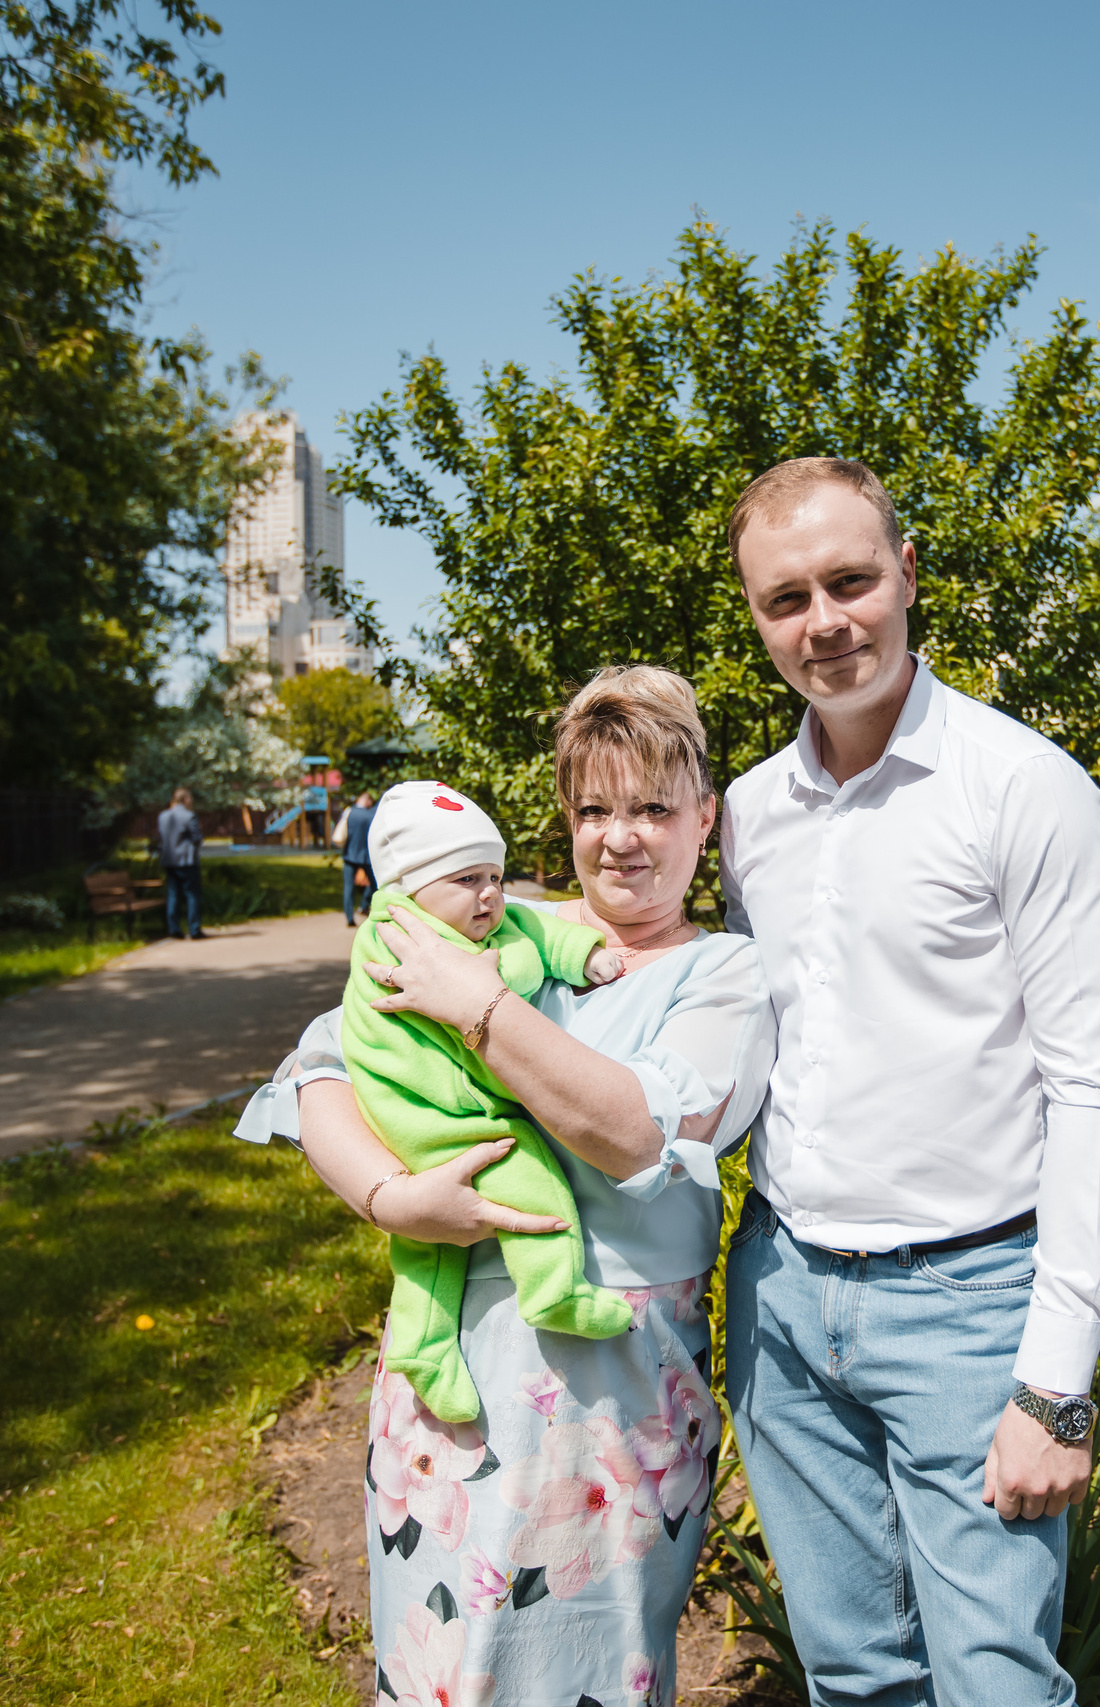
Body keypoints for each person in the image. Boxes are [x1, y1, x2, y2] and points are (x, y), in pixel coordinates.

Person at [235, 666, 771, 1706]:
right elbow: (318, 1067)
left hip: (614, 1380)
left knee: (597, 1669)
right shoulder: (491, 926)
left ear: (705, 818)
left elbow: (631, 1132)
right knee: (443, 1664)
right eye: (594, 809)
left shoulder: (720, 975)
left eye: (654, 809)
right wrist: (394, 1200)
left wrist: (476, 1009)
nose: (622, 838)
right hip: (455, 1376)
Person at [718, 457, 1100, 1705]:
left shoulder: (1024, 790)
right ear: (757, 618)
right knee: (851, 1675)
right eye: (785, 598)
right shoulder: (747, 813)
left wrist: (1055, 1387)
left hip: (968, 1302)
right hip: (784, 1296)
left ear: (907, 576)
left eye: (849, 581)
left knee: (997, 1683)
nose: (823, 621)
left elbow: (1094, 1096)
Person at [339, 778, 631, 1423]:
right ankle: (556, 1291)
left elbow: (530, 925)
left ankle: (420, 1347)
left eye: (495, 874)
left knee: (427, 1243)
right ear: (410, 886)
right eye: (467, 879)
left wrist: (580, 954)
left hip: (420, 1116)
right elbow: (511, 970)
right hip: (437, 1113)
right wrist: (538, 967)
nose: (491, 893)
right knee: (524, 1175)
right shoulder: (401, 940)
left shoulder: (469, 920)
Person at [157, 786, 204, 940]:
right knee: (192, 895)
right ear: (186, 799)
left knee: (173, 895)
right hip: (187, 860)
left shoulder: (163, 816)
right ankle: (194, 929)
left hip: (169, 860)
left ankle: (174, 928)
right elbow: (197, 838)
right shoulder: (189, 816)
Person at [332, 789, 379, 925]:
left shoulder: (350, 812)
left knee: (348, 888)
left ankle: (349, 918)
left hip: (349, 855)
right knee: (374, 883)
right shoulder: (372, 815)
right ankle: (364, 905)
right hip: (366, 856)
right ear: (367, 801)